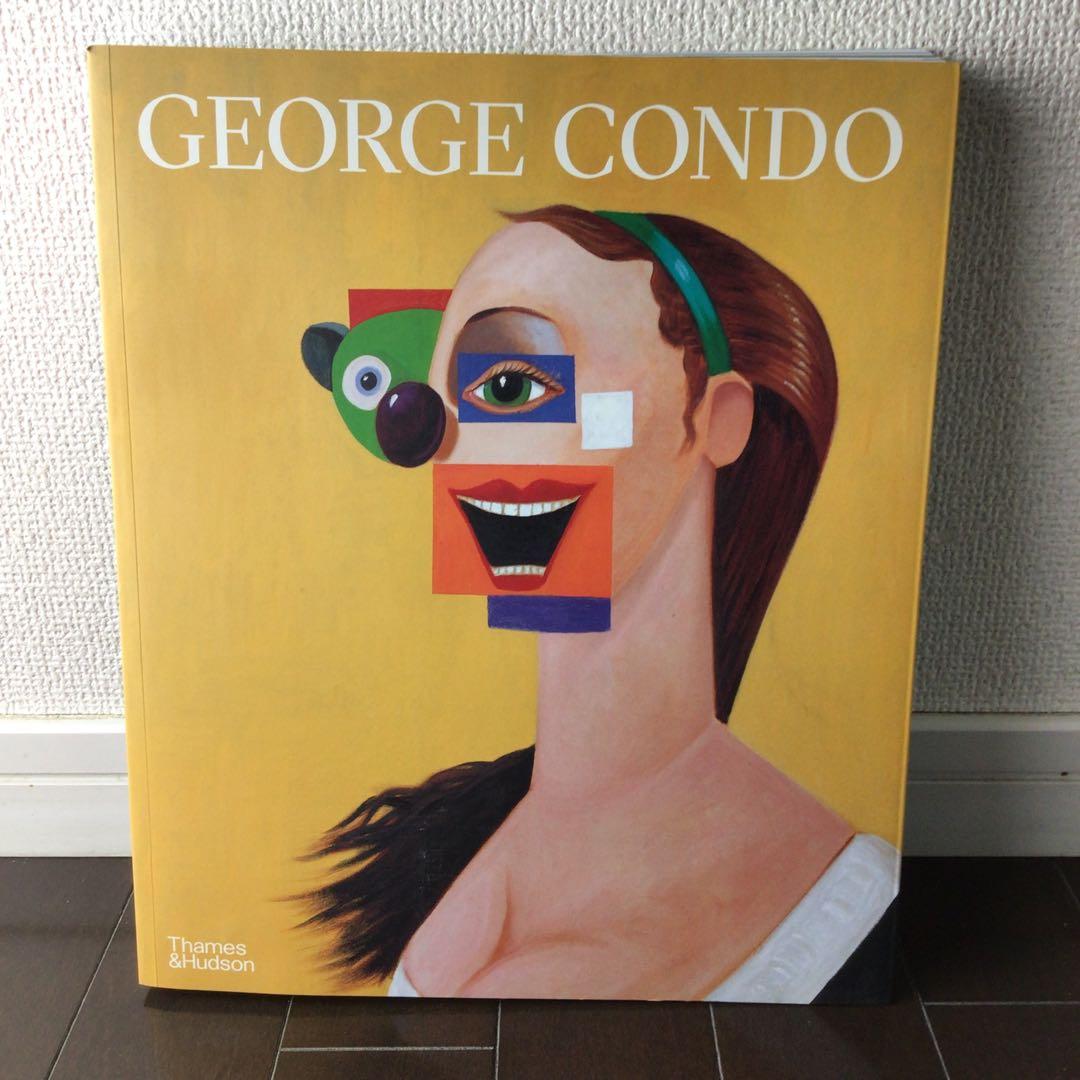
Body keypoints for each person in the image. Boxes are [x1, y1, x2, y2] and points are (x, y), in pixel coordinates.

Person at [302, 206, 898, 1003]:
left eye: (509, 386)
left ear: (718, 421)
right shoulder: (450, 850)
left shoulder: (842, 902)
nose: (438, 443)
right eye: (445, 395)